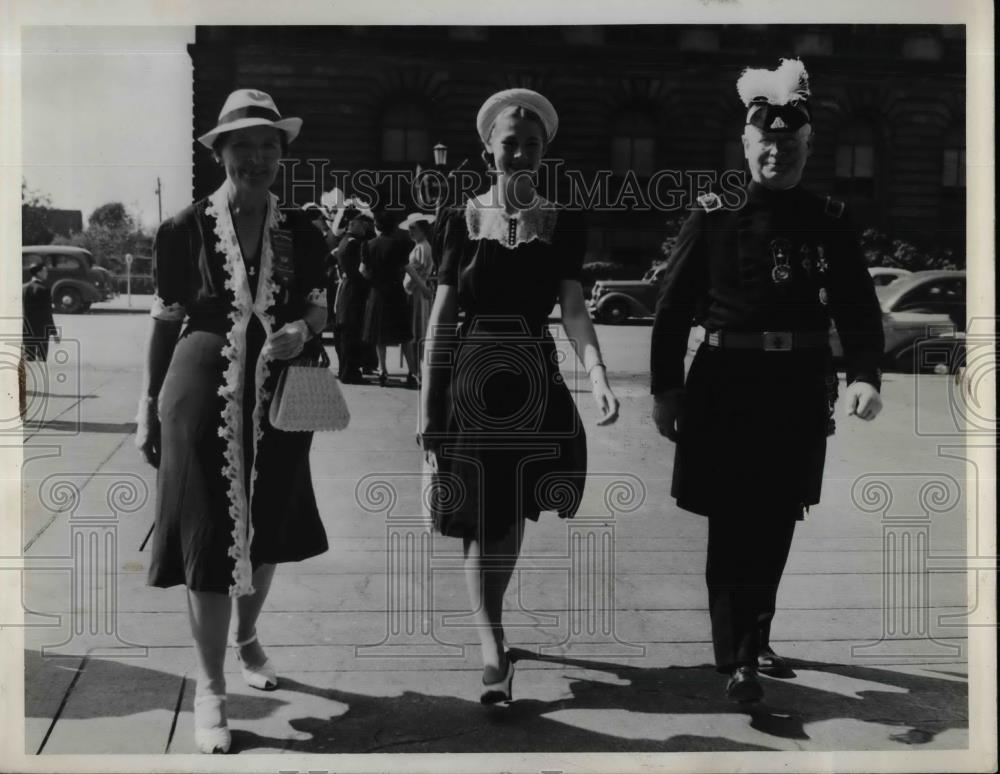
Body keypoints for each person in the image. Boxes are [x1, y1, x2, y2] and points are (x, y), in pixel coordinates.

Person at [649, 59, 885, 704]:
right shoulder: (714, 215)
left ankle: (754, 638)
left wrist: (864, 374)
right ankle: (740, 654)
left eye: (789, 141)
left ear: (806, 146)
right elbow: (671, 310)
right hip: (726, 385)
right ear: (747, 146)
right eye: (765, 141)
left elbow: (859, 307)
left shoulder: (828, 219)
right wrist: (666, 390)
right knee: (731, 520)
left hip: (797, 388)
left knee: (778, 516)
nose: (776, 151)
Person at [134, 89, 329, 753]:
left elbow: (318, 305)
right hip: (199, 394)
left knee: (268, 527)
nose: (257, 156)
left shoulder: (302, 229)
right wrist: (145, 410)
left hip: (283, 391)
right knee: (210, 539)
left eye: (269, 144)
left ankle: (247, 638)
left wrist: (303, 329)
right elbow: (164, 323)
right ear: (219, 152)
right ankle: (212, 687)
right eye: (242, 145)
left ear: (283, 153)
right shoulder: (183, 228)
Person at [420, 88, 620, 704]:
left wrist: (598, 374)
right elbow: (443, 318)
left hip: (531, 376)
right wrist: (427, 415)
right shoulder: (459, 218)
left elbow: (574, 308)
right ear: (488, 150)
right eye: (511, 144)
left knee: (510, 513)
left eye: (533, 146)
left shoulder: (562, 221)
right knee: (482, 517)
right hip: (474, 379)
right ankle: (492, 645)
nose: (522, 155)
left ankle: (492, 623)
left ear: (544, 153)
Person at [360, 206, 418, 387]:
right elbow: (407, 268)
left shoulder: (367, 245)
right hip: (395, 293)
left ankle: (383, 371)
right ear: (393, 227)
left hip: (377, 293)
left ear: (377, 226)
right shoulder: (399, 244)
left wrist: (374, 277)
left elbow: (362, 270)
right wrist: (422, 286)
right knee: (404, 336)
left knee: (379, 336)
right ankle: (413, 372)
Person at [333, 212, 374, 384]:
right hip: (354, 291)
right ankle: (350, 373)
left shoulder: (344, 241)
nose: (365, 227)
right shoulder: (355, 244)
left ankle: (346, 370)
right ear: (353, 223)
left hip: (346, 289)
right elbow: (358, 271)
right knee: (352, 333)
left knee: (345, 334)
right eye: (362, 224)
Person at [400, 212, 436, 374]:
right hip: (417, 291)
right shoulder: (420, 246)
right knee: (416, 328)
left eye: (413, 228)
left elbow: (416, 273)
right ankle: (415, 369)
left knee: (416, 329)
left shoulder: (422, 248)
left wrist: (407, 288)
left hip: (416, 292)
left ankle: (416, 370)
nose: (411, 232)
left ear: (422, 229)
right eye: (410, 229)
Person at [22, 263, 59, 363]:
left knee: (28, 359)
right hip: (41, 330)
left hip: (25, 329)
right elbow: (47, 313)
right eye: (45, 271)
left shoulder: (23, 288)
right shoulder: (44, 290)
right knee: (41, 360)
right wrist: (54, 332)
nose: (47, 273)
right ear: (39, 273)